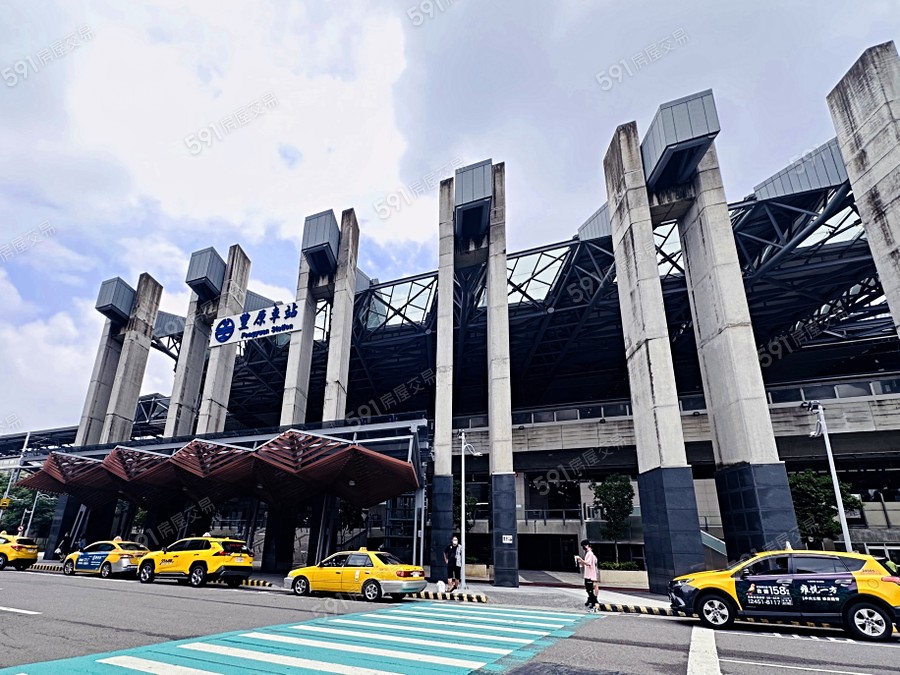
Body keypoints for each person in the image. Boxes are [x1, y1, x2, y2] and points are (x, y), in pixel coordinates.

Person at [575, 539, 598, 612]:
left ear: (587, 545)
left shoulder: (590, 554)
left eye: (583, 546)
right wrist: (581, 562)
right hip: (588, 575)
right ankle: (592, 602)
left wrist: (580, 559)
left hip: (589, 576)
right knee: (589, 590)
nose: (583, 547)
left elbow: (588, 563)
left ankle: (594, 604)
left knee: (590, 590)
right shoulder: (588, 553)